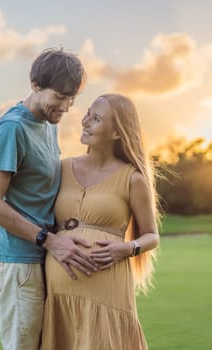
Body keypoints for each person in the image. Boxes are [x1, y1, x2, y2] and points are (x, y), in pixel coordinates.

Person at [0, 48, 98, 350]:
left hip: (38, 258)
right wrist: (50, 240)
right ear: (35, 85)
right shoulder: (12, 128)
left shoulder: (47, 124)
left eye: (73, 98)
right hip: (16, 262)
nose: (68, 107)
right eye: (60, 96)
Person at [41, 93, 161, 349]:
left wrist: (128, 248)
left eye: (96, 119)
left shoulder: (132, 179)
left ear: (117, 132)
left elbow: (151, 235)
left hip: (107, 290)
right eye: (87, 114)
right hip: (59, 293)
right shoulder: (61, 168)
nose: (85, 122)